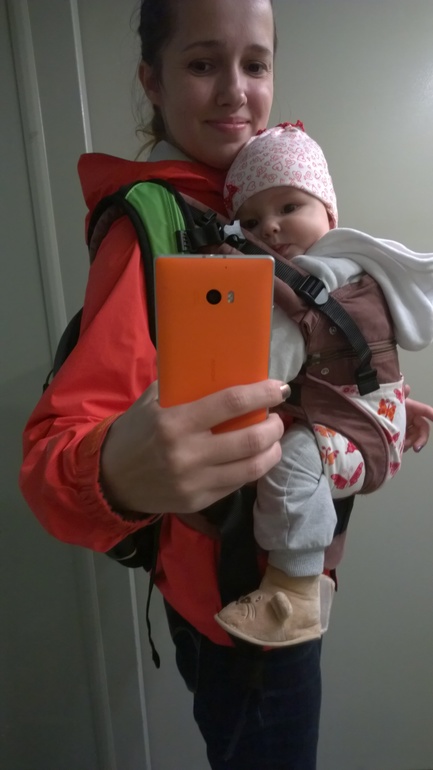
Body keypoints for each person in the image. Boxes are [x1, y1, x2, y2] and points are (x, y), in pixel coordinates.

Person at [17, 1, 433, 768]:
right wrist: (116, 475)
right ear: (153, 80)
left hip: (277, 577)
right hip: (240, 615)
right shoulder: (153, 223)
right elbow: (52, 461)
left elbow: (297, 355)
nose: (236, 90)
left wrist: (372, 400)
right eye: (203, 63)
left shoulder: (257, 198)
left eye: (255, 64)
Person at [214, 122, 433, 647]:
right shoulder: (360, 269)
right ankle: (316, 578)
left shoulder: (311, 283)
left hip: (356, 437)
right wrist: (396, 407)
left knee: (289, 462)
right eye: (251, 220)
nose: (270, 228)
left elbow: (271, 364)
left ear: (328, 213)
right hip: (373, 422)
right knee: (301, 459)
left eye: (289, 207)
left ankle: (292, 594)